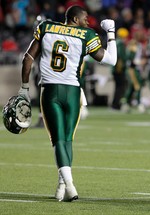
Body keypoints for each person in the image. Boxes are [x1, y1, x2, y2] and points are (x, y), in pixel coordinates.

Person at [17, 5, 117, 201]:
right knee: (67, 139)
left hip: (50, 90)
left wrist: (24, 88)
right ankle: (67, 184)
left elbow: (27, 59)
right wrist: (111, 32)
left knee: (59, 140)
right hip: (72, 91)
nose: (88, 22)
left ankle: (66, 184)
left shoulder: (46, 28)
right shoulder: (86, 35)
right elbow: (111, 60)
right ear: (75, 19)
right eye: (85, 18)